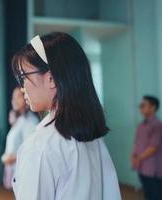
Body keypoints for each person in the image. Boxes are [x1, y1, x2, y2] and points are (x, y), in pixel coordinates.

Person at [10, 32, 121, 200]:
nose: (23, 87)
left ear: (51, 79)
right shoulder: (92, 136)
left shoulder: (41, 146)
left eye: (23, 77)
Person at [1, 87, 39, 189]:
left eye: (18, 96)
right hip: (16, 172)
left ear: (26, 98)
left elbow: (31, 150)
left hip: (25, 173)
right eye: (13, 97)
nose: (14, 100)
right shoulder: (19, 120)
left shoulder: (30, 122)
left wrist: (9, 158)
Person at [131, 96, 162, 200]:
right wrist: (133, 156)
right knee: (148, 195)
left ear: (153, 107)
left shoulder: (157, 125)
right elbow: (137, 143)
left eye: (143, 105)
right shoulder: (141, 125)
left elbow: (153, 147)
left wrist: (138, 158)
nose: (140, 107)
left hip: (153, 170)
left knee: (155, 196)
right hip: (142, 167)